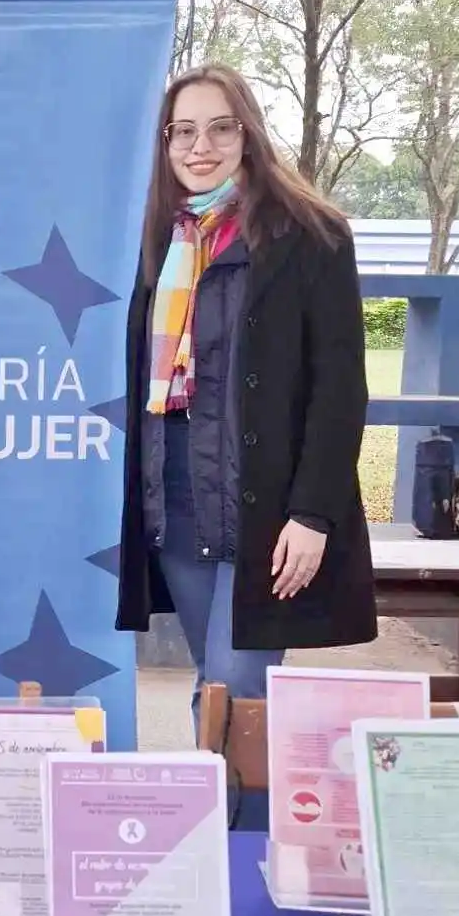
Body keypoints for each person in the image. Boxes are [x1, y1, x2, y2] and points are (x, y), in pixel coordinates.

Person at [116, 63, 377, 708]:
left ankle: (224, 804)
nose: (199, 148)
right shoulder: (160, 238)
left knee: (238, 684)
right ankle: (222, 805)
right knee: (216, 685)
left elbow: (339, 389)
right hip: (176, 500)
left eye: (219, 128)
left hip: (265, 509)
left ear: (249, 134)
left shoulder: (311, 236)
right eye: (183, 132)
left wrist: (313, 514)